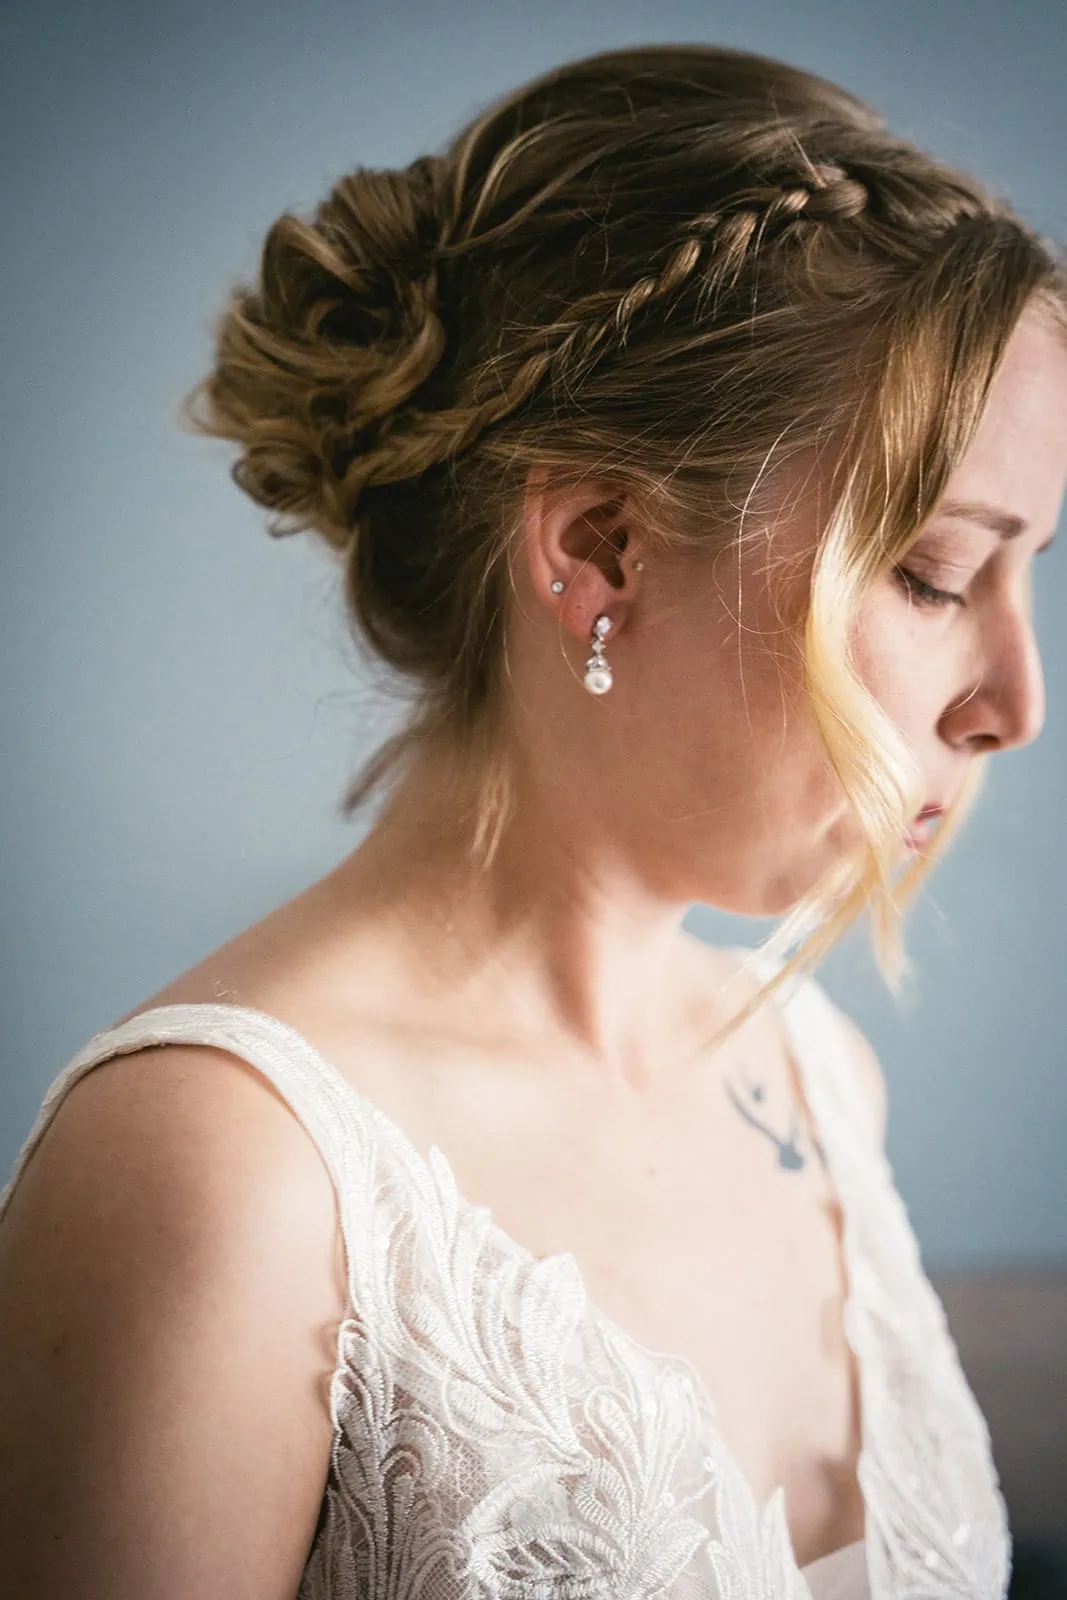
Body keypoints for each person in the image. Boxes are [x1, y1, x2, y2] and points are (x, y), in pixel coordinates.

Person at [1, 40, 1065, 1600]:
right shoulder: (215, 1174)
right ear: (601, 545)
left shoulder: (812, 1079)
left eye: (1034, 569)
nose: (1015, 699)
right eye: (930, 574)